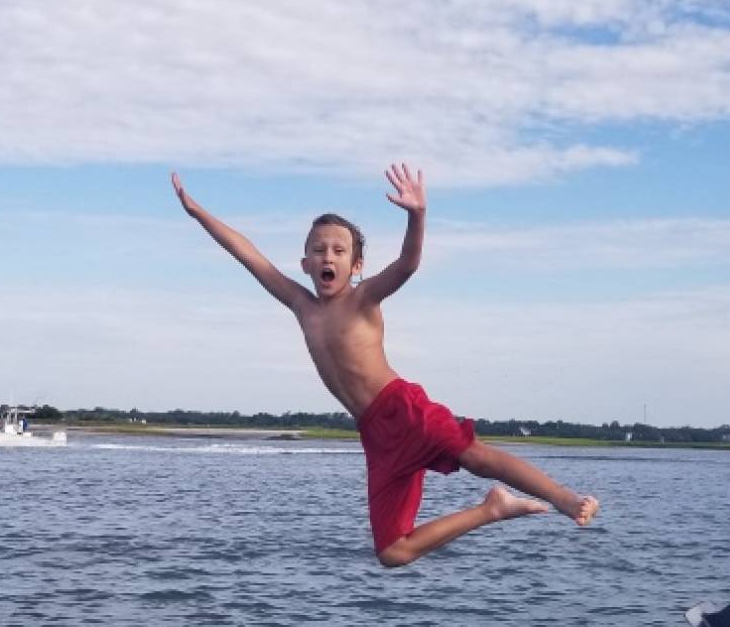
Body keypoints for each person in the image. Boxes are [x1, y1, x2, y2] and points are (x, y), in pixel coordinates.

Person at [171, 164, 599, 566]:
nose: (327, 257)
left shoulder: (362, 300)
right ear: (304, 264)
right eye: (318, 250)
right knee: (392, 552)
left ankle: (564, 498)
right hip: (375, 434)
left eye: (339, 250)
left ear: (355, 267)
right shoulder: (300, 304)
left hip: (401, 408)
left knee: (475, 456)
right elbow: (248, 254)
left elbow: (407, 264)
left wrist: (418, 215)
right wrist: (198, 214)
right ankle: (492, 509)